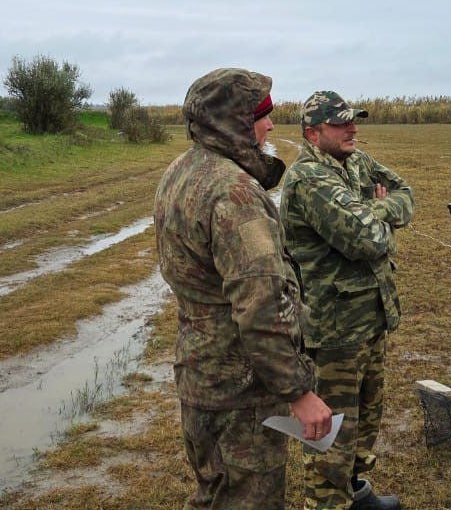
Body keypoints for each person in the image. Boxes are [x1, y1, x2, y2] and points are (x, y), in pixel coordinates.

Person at [153, 68, 333, 510]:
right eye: (261, 115)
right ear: (233, 123)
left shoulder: (180, 172)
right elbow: (261, 305)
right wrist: (298, 391)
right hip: (240, 392)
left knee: (214, 493)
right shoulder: (234, 194)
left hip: (199, 376)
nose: (270, 125)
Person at [279, 91, 414, 510]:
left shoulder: (356, 161)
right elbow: (367, 242)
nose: (352, 128)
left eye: (353, 120)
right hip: (333, 326)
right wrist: (378, 214)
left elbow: (406, 194)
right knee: (331, 437)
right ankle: (328, 503)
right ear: (312, 134)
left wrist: (375, 208)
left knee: (364, 422)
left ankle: (354, 493)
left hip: (369, 317)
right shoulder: (310, 179)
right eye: (340, 124)